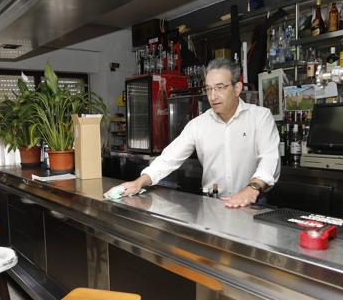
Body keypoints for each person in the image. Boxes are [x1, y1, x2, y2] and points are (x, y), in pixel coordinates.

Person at [117, 58, 280, 208]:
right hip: (213, 205)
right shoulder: (198, 125)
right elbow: (169, 158)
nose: (213, 96)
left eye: (220, 88)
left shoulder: (260, 117)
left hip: (253, 203)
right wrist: (140, 182)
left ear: (237, 88)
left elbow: (269, 158)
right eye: (209, 89)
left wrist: (252, 189)